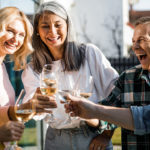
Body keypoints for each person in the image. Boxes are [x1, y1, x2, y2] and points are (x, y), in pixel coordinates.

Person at [22, 1, 119, 150]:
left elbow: (117, 93)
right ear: (37, 31)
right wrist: (35, 104)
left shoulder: (89, 53)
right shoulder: (33, 69)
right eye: (45, 26)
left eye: (58, 24)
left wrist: (106, 134)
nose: (52, 32)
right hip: (55, 140)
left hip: (92, 137)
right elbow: (31, 112)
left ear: (67, 25)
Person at [65, 16, 150, 150]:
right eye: (133, 41)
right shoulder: (127, 78)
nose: (135, 46)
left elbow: (145, 118)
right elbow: (106, 118)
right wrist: (85, 112)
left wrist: (95, 110)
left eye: (141, 40)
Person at [0, 6, 57, 145]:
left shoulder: (2, 67)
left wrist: (30, 106)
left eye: (21, 35)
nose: (15, 39)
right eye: (10, 31)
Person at [65, 95, 150, 135]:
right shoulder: (127, 76)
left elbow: (144, 118)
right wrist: (93, 112)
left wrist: (106, 136)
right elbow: (143, 118)